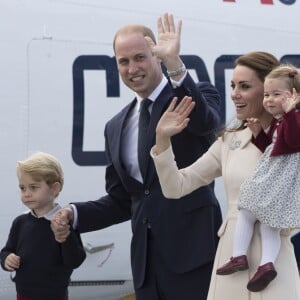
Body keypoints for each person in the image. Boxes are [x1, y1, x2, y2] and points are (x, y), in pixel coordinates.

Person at [51, 13, 222, 300]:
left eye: (140, 57)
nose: (132, 68)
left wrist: (175, 65)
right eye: (123, 61)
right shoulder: (116, 126)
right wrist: (73, 213)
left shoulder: (193, 96)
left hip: (196, 259)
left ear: (157, 56)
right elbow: (123, 200)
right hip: (146, 266)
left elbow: (207, 123)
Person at [151, 52, 300, 299]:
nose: (234, 94)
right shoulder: (229, 141)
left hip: (276, 268)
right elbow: (175, 187)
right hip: (232, 263)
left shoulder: (294, 140)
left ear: (271, 89)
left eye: (244, 86)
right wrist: (162, 140)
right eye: (233, 86)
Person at [216, 64, 300, 292]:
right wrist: (258, 135)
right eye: (266, 95)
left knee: (246, 211)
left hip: (277, 182)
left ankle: (239, 256)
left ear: (294, 96)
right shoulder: (280, 121)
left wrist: (292, 112)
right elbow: (271, 148)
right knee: (267, 225)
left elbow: (293, 141)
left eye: (276, 95)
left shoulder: (294, 119)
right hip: (275, 181)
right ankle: (265, 265)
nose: (269, 100)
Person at [0, 152, 86, 300]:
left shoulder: (65, 222)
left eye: (33, 187)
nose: (26, 194)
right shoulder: (20, 222)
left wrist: (65, 237)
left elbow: (75, 260)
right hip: (23, 295)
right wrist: (7, 259)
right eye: (22, 188)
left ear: (54, 189)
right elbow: (7, 250)